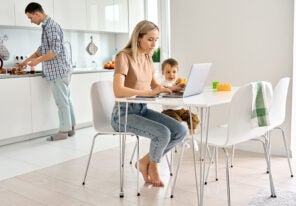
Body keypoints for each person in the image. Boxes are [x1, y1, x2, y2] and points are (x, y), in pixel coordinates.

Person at [111, 20, 187, 187]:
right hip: (123, 114)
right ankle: (153, 166)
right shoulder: (123, 57)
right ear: (139, 38)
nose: (154, 44)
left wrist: (173, 88)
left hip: (141, 110)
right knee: (163, 134)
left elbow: (154, 86)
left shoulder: (147, 57)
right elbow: (118, 90)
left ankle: (146, 162)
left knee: (180, 130)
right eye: (150, 39)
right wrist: (148, 93)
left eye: (156, 39)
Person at [19, 2, 76, 141]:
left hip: (58, 71)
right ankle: (71, 128)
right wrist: (27, 60)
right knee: (66, 100)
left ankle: (63, 132)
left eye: (30, 17)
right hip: (62, 70)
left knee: (61, 102)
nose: (31, 21)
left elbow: (54, 51)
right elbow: (42, 48)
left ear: (37, 14)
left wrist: (37, 61)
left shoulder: (50, 27)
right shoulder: (48, 26)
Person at [161, 58, 199, 134]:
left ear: (177, 72)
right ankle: (179, 138)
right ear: (163, 73)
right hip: (169, 110)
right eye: (168, 72)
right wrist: (175, 87)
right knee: (176, 121)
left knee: (193, 117)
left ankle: (192, 134)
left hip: (180, 109)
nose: (171, 74)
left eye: (174, 72)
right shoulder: (163, 84)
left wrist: (184, 87)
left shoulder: (177, 83)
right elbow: (165, 89)